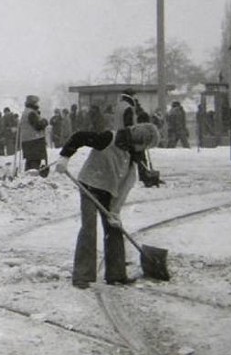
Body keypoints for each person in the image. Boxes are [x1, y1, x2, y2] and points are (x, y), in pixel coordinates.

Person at [56, 122, 160, 289]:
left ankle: (116, 275)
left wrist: (115, 211)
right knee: (89, 228)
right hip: (89, 184)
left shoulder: (133, 154)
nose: (145, 150)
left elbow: (127, 183)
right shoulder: (107, 139)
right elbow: (79, 137)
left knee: (114, 229)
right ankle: (82, 275)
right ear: (138, 140)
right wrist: (64, 157)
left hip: (109, 191)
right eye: (146, 146)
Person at [19, 95, 49, 174]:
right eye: (36, 102)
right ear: (33, 103)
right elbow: (38, 126)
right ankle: (32, 178)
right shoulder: (31, 113)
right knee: (35, 161)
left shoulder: (26, 112)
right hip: (34, 141)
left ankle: (27, 177)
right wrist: (44, 122)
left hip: (27, 141)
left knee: (30, 161)